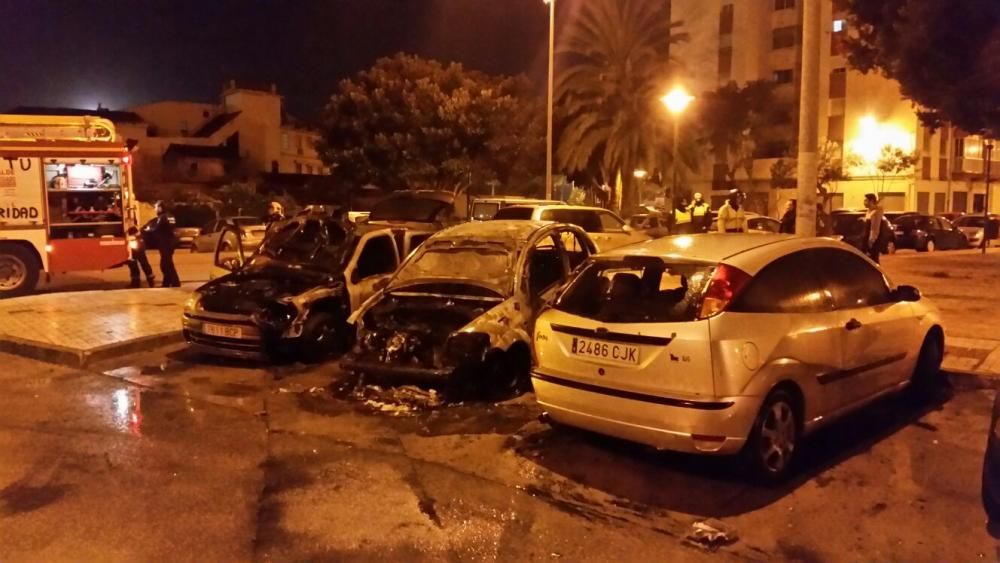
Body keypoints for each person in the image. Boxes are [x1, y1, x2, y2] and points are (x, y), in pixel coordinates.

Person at [145, 201, 181, 287]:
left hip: (165, 242)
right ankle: (167, 283)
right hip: (170, 242)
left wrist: (147, 229)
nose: (155, 209)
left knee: (166, 264)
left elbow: (155, 228)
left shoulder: (162, 217)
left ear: (161, 208)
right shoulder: (170, 216)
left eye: (156, 207)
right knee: (166, 263)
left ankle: (175, 283)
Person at [863, 193, 885, 263]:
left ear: (871, 201)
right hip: (867, 238)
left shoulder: (876, 212)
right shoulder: (869, 211)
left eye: (866, 200)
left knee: (874, 259)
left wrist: (872, 240)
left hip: (873, 240)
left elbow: (875, 227)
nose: (864, 202)